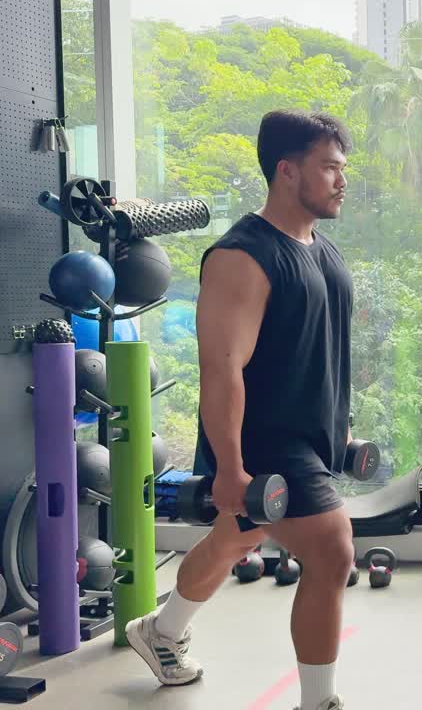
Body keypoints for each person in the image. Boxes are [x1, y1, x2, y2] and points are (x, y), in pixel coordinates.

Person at [125, 109, 357, 710]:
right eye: (329, 168)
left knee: (234, 540)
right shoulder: (240, 257)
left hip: (310, 436)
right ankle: (319, 702)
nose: (341, 180)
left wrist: (341, 426)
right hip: (263, 440)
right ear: (287, 171)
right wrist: (230, 467)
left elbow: (321, 349)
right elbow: (222, 369)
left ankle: (162, 631)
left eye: (342, 168)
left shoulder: (324, 252)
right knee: (332, 553)